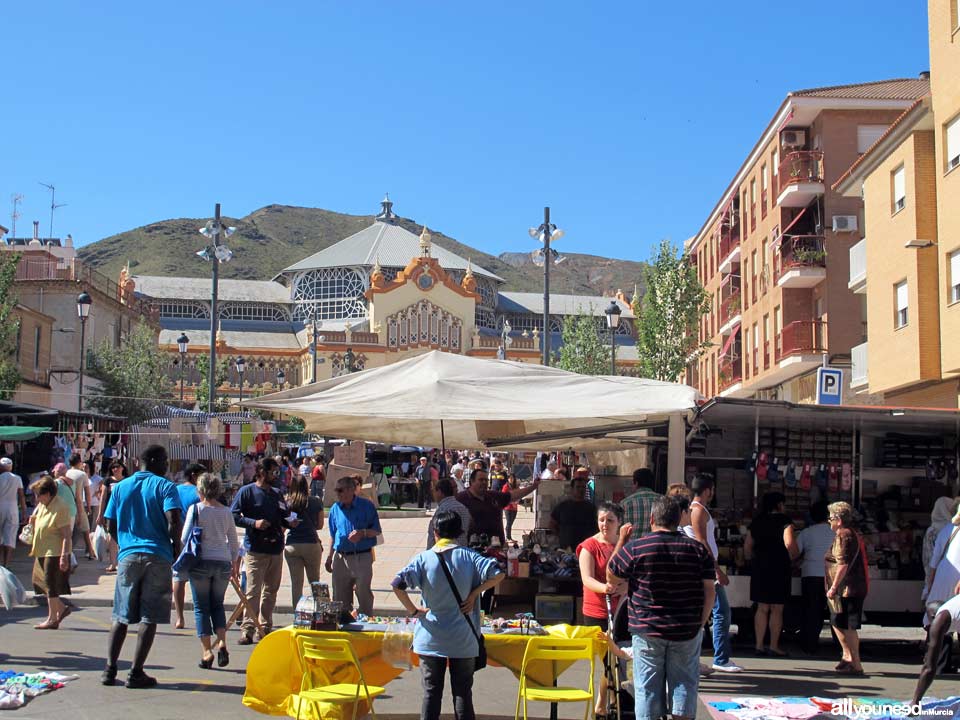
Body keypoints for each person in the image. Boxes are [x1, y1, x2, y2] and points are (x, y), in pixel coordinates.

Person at [608, 497, 716, 720]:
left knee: (647, 689)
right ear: (679, 520)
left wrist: (622, 541)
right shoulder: (697, 550)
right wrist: (701, 622)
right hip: (686, 629)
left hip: (647, 630)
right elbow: (709, 590)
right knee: (684, 685)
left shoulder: (637, 548)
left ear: (651, 519)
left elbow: (612, 573)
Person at [392, 510, 505, 720]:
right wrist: (474, 593)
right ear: (459, 533)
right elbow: (499, 572)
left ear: (435, 532)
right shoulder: (470, 557)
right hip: (463, 639)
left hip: (430, 638)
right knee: (462, 693)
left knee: (431, 693)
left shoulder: (423, 559)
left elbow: (397, 585)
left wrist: (414, 611)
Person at [102, 444, 182, 688]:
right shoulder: (166, 487)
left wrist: (124, 544)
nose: (167, 465)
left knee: (121, 615)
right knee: (150, 616)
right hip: (157, 555)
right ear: (157, 461)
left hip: (128, 556)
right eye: (166, 461)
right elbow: (174, 520)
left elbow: (109, 524)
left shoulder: (121, 487)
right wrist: (174, 547)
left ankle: (110, 669)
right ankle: (136, 672)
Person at [231, 457, 298, 644]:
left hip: (275, 548)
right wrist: (254, 523)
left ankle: (265, 626)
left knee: (271, 590)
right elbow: (233, 515)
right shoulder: (247, 492)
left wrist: (289, 522)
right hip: (256, 549)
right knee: (252, 591)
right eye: (272, 472)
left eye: (277, 472)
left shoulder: (277, 494)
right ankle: (248, 629)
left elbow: (283, 515)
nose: (276, 476)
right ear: (261, 472)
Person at [578, 501, 632, 719]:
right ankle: (607, 704)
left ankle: (605, 704)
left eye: (610, 520)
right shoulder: (589, 546)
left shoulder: (625, 546)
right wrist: (606, 588)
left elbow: (631, 576)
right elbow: (587, 578)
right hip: (596, 611)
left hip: (621, 611)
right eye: (601, 520)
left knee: (618, 660)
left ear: (618, 523)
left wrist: (625, 586)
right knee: (608, 661)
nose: (605, 524)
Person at [687, 474, 743, 673]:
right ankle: (720, 658)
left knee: (715, 613)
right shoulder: (698, 510)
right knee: (721, 613)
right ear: (708, 490)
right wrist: (716, 569)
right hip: (705, 568)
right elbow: (702, 541)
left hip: (704, 567)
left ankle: (716, 657)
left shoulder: (695, 510)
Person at [184, 473, 240, 670]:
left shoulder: (197, 510)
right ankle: (222, 642)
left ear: (200, 490)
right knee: (217, 604)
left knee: (201, 607)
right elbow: (234, 541)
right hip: (222, 561)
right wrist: (234, 563)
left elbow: (185, 537)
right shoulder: (226, 512)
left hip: (201, 561)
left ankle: (207, 652)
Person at [744, 491, 794, 656]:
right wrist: (796, 557)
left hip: (760, 567)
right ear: (779, 505)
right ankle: (773, 645)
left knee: (762, 607)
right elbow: (789, 543)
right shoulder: (785, 522)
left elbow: (747, 546)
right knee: (777, 608)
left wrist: (752, 559)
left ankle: (758, 645)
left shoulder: (757, 522)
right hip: (780, 567)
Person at [325, 474, 382, 615]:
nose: (338, 494)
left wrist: (362, 533)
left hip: (361, 557)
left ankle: (366, 621)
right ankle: (344, 623)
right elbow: (333, 535)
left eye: (341, 490)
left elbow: (376, 530)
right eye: (336, 491)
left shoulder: (366, 506)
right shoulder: (335, 509)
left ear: (351, 490)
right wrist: (329, 557)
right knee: (339, 595)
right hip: (341, 558)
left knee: (363, 591)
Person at [825, 501, 869, 677]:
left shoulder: (844, 535)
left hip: (848, 588)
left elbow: (842, 563)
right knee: (837, 621)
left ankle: (856, 663)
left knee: (848, 625)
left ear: (839, 519)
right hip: (845, 587)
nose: (829, 521)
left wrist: (834, 586)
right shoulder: (848, 533)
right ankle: (847, 656)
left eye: (831, 518)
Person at [27, 475, 74, 630]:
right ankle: (60, 609)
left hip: (53, 551)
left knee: (50, 583)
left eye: (39, 495)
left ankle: (52, 618)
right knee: (42, 582)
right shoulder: (43, 505)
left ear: (48, 494)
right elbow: (37, 517)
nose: (37, 498)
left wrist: (64, 556)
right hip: (41, 549)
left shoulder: (60, 507)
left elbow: (66, 535)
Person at [789, 501, 835, 654]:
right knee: (834, 611)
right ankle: (841, 645)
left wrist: (800, 561)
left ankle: (809, 644)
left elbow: (795, 552)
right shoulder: (835, 532)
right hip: (831, 576)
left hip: (810, 574)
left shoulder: (807, 532)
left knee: (811, 611)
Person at [457, 467, 539, 546]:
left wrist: (533, 487)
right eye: (481, 480)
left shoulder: (493, 496)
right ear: (472, 481)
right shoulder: (461, 499)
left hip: (497, 549)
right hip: (473, 549)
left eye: (486, 480)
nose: (484, 482)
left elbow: (513, 495)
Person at [911, 593, 960, 707]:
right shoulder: (954, 612)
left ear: (933, 616)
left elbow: (929, 667)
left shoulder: (941, 618)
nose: (929, 627)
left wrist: (915, 701)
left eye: (929, 622)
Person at [283, 473, 324, 607]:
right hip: (311, 543)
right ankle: (320, 612)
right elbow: (320, 525)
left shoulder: (287, 503)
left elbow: (283, 527)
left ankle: (298, 615)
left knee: (296, 584)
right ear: (306, 486)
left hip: (292, 544)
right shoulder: (316, 501)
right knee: (315, 581)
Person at [173, 463, 204, 629]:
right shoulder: (198, 493)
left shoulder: (176, 490)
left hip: (179, 539)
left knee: (179, 577)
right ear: (194, 475)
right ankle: (200, 616)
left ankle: (179, 617)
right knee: (198, 579)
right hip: (197, 539)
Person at [549, 471, 597, 550]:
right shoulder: (562, 506)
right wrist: (561, 535)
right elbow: (552, 524)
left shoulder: (591, 508)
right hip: (566, 548)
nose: (581, 490)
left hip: (585, 548)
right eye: (578, 487)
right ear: (572, 489)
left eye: (583, 487)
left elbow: (596, 528)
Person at [96, 460, 126, 573]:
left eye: (117, 466)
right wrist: (100, 514)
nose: (115, 469)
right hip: (111, 513)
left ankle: (122, 562)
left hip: (124, 512)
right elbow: (103, 498)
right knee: (112, 537)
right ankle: (113, 563)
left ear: (123, 468)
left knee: (123, 536)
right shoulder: (107, 481)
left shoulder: (127, 480)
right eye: (113, 467)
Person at [66, 453, 96, 560]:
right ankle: (91, 552)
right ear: (79, 462)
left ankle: (68, 551)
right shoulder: (82, 475)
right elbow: (87, 493)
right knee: (86, 529)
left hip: (67, 505)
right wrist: (88, 506)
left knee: (68, 530)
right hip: (79, 505)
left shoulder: (66, 472)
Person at [426, 479, 471, 549]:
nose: (433, 495)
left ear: (440, 492)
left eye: (434, 491)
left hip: (444, 553)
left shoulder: (442, 510)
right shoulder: (463, 508)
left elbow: (433, 536)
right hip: (462, 551)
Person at [621, 468, 662, 539]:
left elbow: (619, 529)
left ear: (636, 483)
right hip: (655, 546)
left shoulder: (625, 503)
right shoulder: (661, 501)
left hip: (632, 547)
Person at [0, 457, 26, 568]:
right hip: (12, 509)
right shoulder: (17, 478)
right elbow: (21, 496)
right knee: (10, 537)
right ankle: (6, 564)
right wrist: (24, 512)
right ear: (10, 467)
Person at [501, 474, 520, 541]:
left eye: (512, 478)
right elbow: (503, 496)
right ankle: (508, 537)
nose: (511, 479)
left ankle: (508, 536)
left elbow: (519, 494)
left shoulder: (516, 486)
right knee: (509, 522)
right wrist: (511, 502)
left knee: (511, 522)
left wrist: (517, 501)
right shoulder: (506, 486)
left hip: (515, 507)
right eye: (510, 478)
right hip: (508, 507)